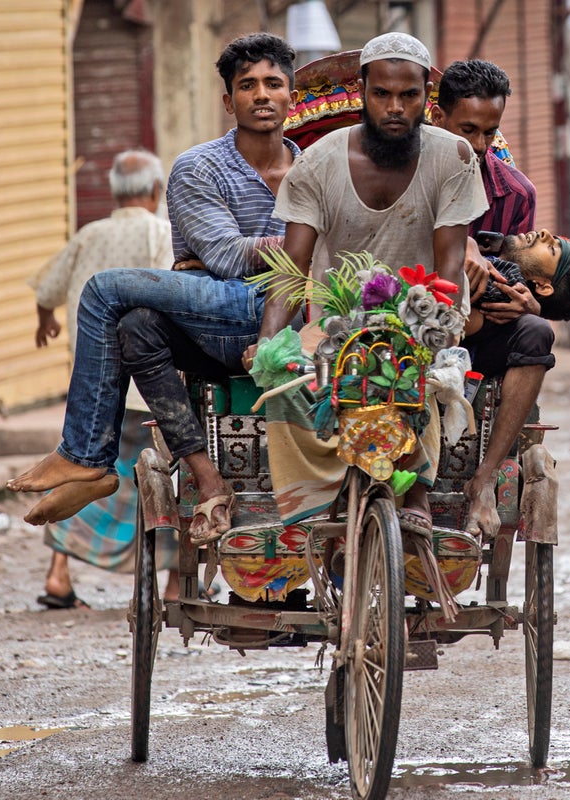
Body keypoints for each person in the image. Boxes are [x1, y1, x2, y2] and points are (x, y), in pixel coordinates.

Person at [7, 33, 299, 549]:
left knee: (106, 293)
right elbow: (228, 258)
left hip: (293, 319)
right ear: (229, 102)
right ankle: (191, 476)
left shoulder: (315, 169)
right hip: (220, 318)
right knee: (130, 321)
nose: (261, 94)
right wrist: (305, 246)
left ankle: (85, 456)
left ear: (290, 96)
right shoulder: (199, 167)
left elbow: (235, 254)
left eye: (273, 84)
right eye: (247, 85)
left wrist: (298, 250)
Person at [247, 32, 487, 533]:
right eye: (382, 94)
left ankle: (418, 493)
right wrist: (269, 342)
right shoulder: (317, 164)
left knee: (419, 375)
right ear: (363, 91)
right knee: (288, 388)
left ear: (427, 97)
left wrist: (434, 330)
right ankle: (318, 504)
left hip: (425, 313)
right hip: (338, 323)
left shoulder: (455, 158)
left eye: (409, 95)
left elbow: (448, 264)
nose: (395, 107)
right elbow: (291, 271)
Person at [430, 58, 570, 537]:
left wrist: (528, 304)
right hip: (408, 311)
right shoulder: (408, 170)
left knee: (536, 331)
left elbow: (516, 270)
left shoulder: (514, 193)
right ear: (438, 120)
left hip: (474, 328)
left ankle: (483, 480)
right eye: (468, 131)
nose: (481, 147)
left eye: (490, 132)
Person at [25, 149, 181, 608]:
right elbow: (174, 290)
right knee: (166, 480)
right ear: (156, 192)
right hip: (148, 386)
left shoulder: (89, 235)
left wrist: (44, 321)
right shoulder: (160, 233)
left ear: (115, 193)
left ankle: (58, 572)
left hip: (96, 389)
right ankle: (172, 583)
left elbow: (47, 287)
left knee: (87, 474)